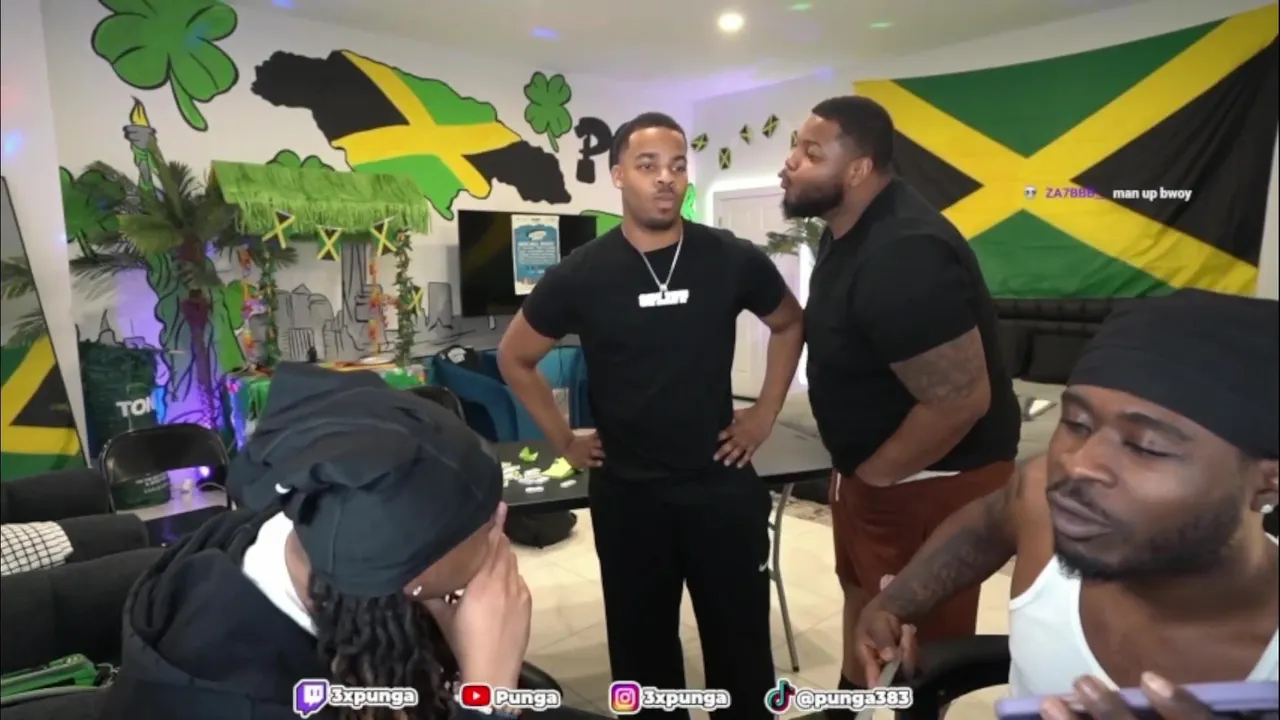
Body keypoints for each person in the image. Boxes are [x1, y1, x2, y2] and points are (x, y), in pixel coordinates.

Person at [497, 111, 805, 719]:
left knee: (742, 653)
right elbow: (515, 356)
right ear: (618, 176)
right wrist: (563, 438)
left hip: (719, 486)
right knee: (643, 661)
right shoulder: (581, 273)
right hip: (629, 497)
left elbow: (790, 322)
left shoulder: (730, 258)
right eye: (647, 165)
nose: (666, 178)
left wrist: (766, 412)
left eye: (677, 166)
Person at [855, 289, 1279, 719]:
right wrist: (895, 604)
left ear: (1269, 484)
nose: (1077, 464)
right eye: (1077, 423)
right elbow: (988, 523)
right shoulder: (1042, 502)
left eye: (1146, 446)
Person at [96, 364, 542, 720]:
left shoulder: (298, 527)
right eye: (487, 531)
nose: (498, 543)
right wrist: (488, 697)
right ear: (407, 586)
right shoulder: (246, 700)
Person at [779, 94, 1021, 700]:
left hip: (925, 482)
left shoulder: (903, 254)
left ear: (859, 169)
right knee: (862, 595)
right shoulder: (843, 228)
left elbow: (960, 400)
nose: (790, 163)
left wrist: (878, 476)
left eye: (812, 153)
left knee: (912, 643)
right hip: (869, 472)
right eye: (795, 147)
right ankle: (846, 705)